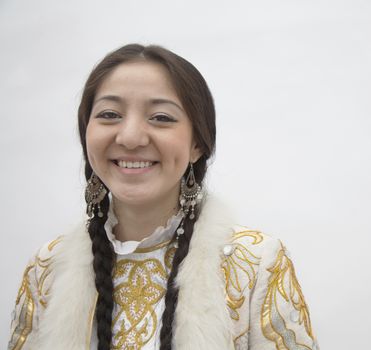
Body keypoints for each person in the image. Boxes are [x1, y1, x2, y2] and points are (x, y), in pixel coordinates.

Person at [8, 44, 319, 350]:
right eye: (109, 114)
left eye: (160, 117)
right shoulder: (47, 268)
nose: (130, 137)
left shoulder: (256, 264)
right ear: (85, 134)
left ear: (197, 143)